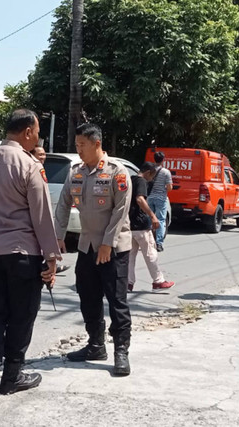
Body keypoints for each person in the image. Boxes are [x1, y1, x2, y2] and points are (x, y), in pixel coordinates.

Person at [0, 109, 62, 402]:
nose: (37, 137)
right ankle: (12, 376)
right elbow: (42, 216)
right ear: (27, 132)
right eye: (36, 131)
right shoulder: (30, 165)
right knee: (22, 316)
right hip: (23, 253)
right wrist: (51, 258)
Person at [55, 123, 133, 376]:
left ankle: (121, 351)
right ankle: (95, 345)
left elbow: (121, 211)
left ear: (97, 144)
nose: (78, 150)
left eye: (82, 145)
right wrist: (58, 236)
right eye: (76, 145)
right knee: (88, 298)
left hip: (114, 248)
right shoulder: (76, 171)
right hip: (87, 246)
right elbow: (64, 203)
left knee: (116, 301)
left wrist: (107, 243)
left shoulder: (117, 172)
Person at [128, 162, 175, 292]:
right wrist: (152, 215)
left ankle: (128, 283)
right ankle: (158, 281)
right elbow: (140, 200)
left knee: (130, 256)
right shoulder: (142, 181)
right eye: (152, 176)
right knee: (150, 253)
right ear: (148, 172)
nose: (152, 179)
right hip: (141, 224)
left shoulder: (131, 179)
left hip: (130, 224)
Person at [30, 146, 71, 274]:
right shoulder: (31, 169)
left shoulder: (40, 169)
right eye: (39, 154)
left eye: (44, 154)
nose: (43, 157)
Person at [147, 151, 172, 251]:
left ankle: (148, 241)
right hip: (161, 198)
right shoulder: (166, 172)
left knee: (149, 219)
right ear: (163, 160)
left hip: (150, 197)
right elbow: (169, 187)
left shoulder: (150, 171)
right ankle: (159, 243)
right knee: (161, 220)